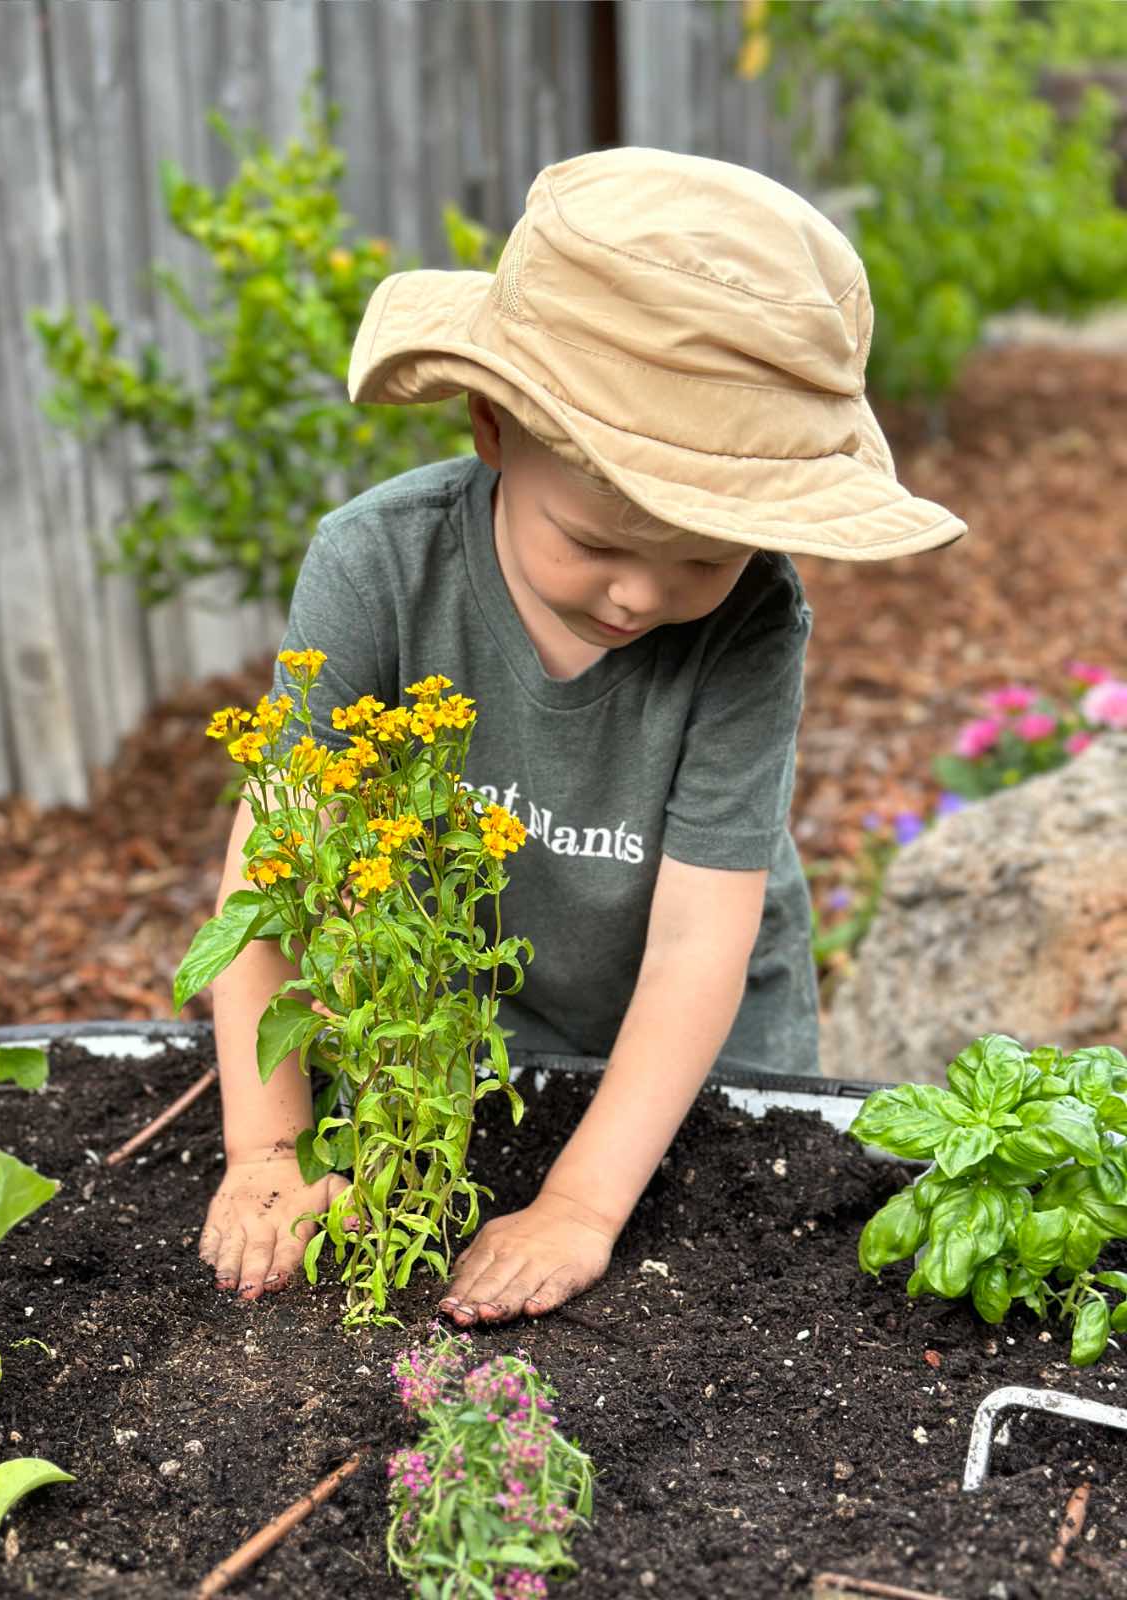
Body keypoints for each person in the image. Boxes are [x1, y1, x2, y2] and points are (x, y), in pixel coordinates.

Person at [198, 147, 965, 1324]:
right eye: (594, 541)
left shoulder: (753, 622)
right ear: (494, 427)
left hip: (700, 1038)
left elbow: (698, 941)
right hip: (469, 1025)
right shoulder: (378, 566)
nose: (636, 597)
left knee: (756, 1292)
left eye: (702, 555)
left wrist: (582, 1206)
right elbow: (274, 869)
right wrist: (270, 1146)